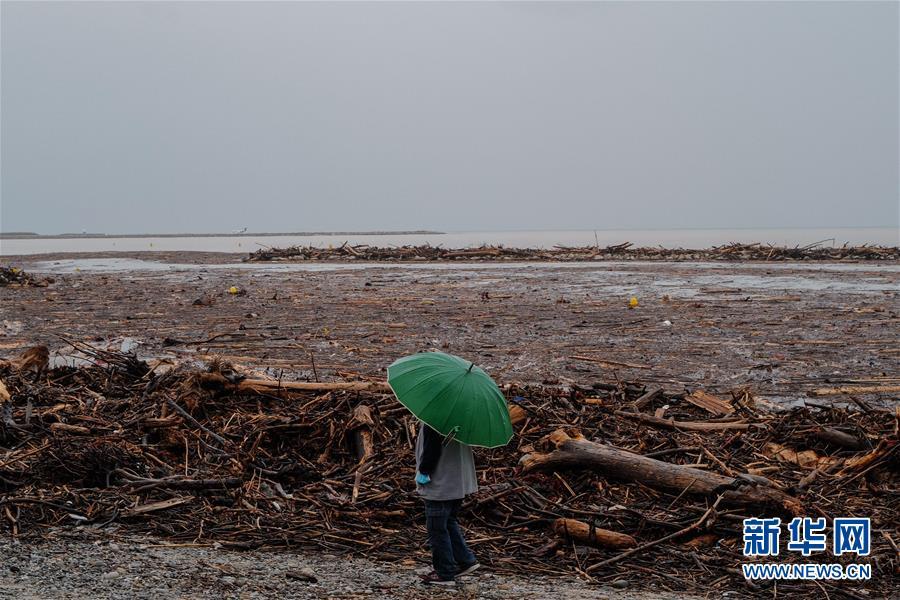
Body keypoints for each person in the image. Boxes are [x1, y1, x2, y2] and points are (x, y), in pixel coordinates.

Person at [414, 422, 481, 585]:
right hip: (458, 481)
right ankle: (465, 560)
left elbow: (431, 450)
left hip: (440, 483)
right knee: (449, 521)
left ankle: (444, 572)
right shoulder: (462, 419)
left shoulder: (435, 421)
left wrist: (423, 472)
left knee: (437, 528)